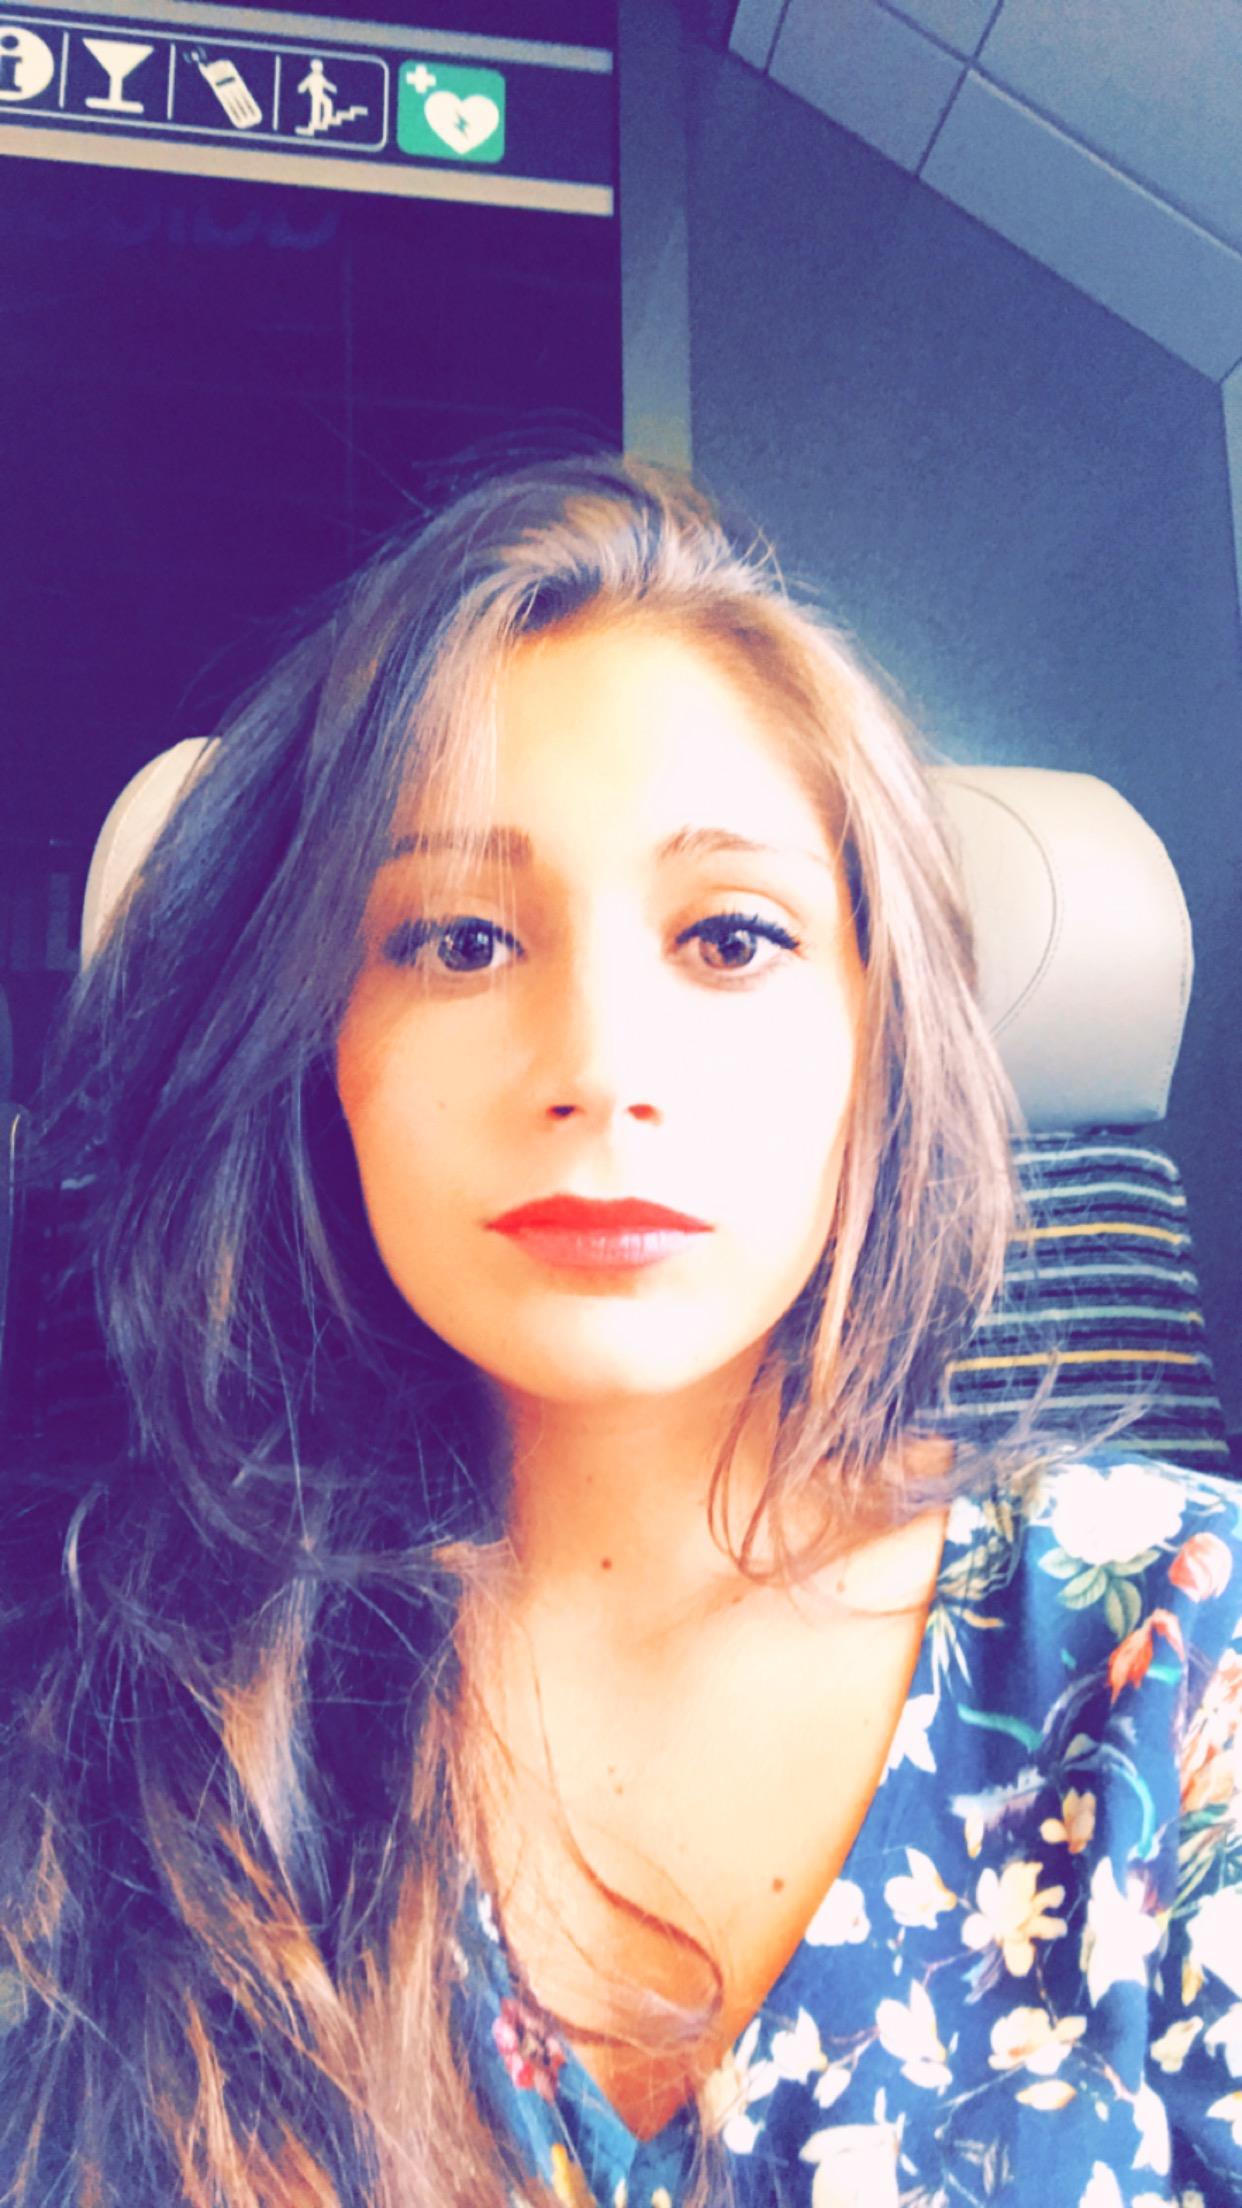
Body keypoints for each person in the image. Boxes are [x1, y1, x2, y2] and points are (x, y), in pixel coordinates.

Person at [1, 451, 1238, 2208]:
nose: (597, 1068)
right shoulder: (104, 1696)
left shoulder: (1177, 1650)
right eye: (456, 940)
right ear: (319, 1052)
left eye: (728, 937)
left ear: (875, 1043)